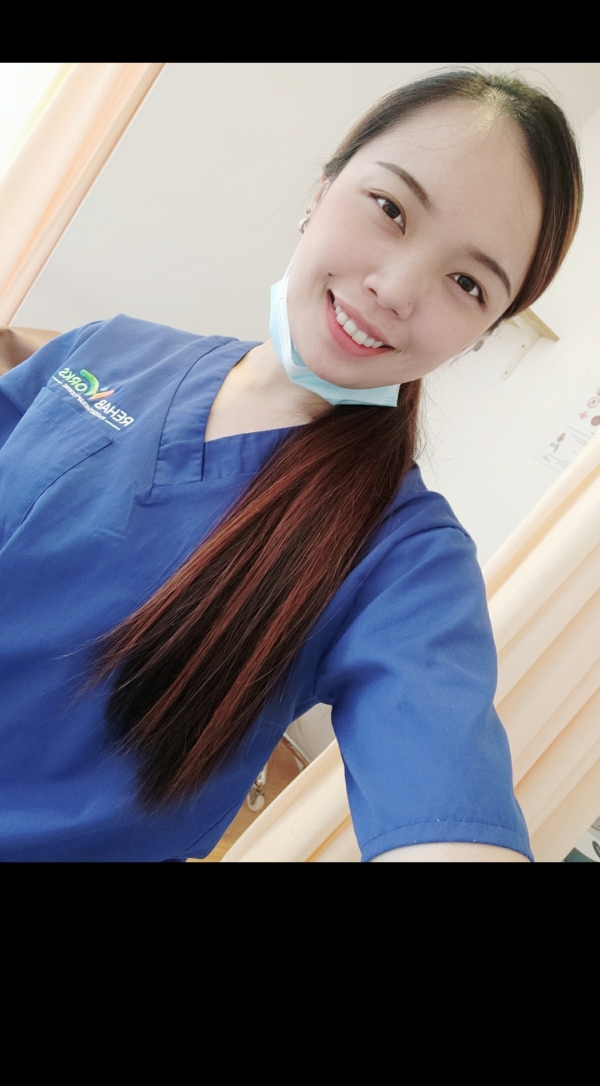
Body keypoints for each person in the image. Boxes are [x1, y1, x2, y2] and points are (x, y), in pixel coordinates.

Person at [0, 70, 582, 862]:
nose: (394, 288)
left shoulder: (407, 561)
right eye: (391, 208)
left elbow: (446, 800)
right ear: (323, 187)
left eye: (467, 282)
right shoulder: (113, 347)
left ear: (479, 337)